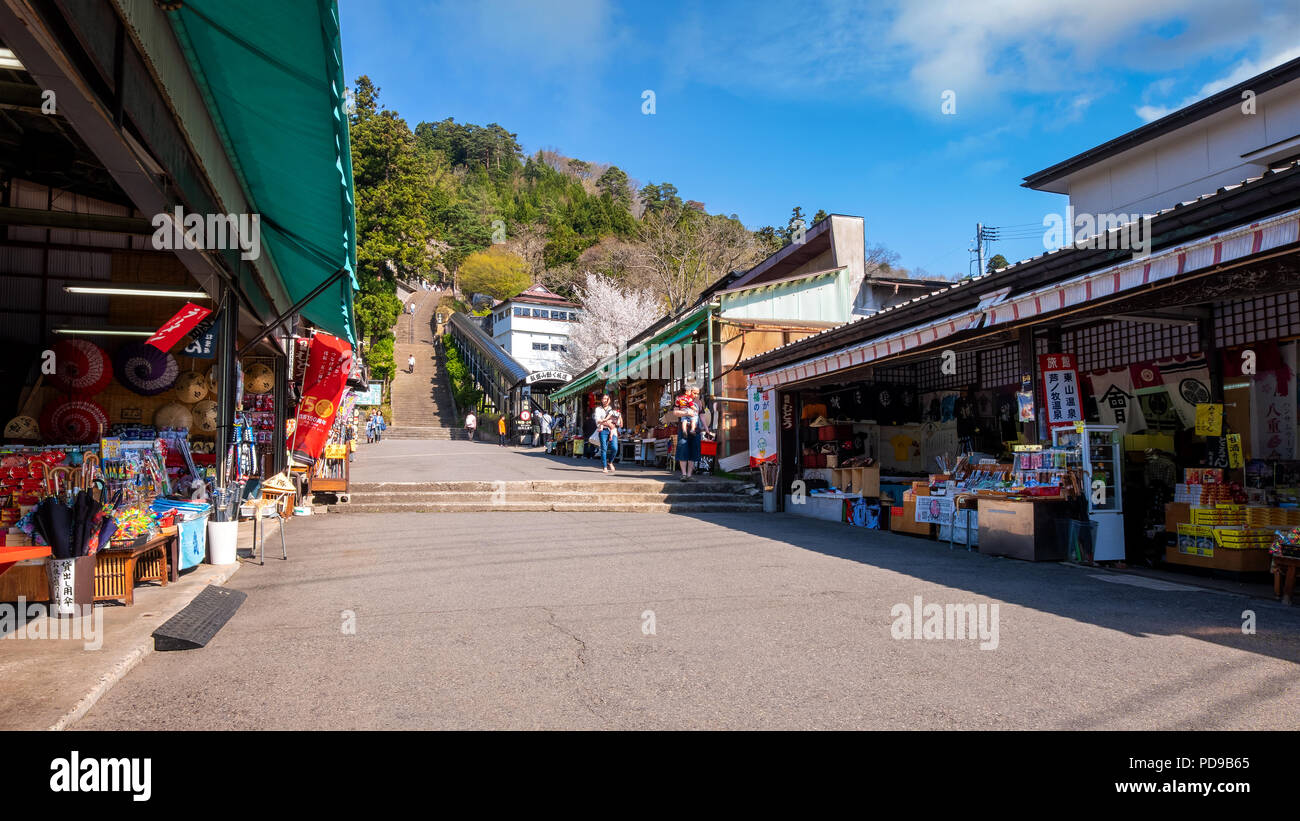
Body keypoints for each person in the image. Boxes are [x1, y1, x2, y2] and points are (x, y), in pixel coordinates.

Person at [675, 393, 708, 482]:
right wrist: (686, 412)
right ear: (689, 392)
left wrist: (707, 429)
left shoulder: (699, 403)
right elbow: (675, 412)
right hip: (684, 430)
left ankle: (689, 475)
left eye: (698, 393)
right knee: (683, 450)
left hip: (695, 430)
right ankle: (684, 474)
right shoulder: (681, 399)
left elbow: (702, 416)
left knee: (693, 452)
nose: (696, 395)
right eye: (694, 392)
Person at [593, 393, 622, 473]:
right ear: (601, 400)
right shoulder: (598, 409)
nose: (605, 400)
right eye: (603, 399)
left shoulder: (612, 409)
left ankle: (610, 462)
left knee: (615, 448)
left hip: (613, 430)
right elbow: (597, 421)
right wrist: (608, 423)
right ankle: (604, 466)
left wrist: (615, 423)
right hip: (603, 430)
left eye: (606, 399)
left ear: (609, 400)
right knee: (604, 449)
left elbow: (618, 421)